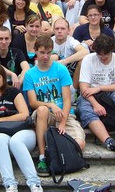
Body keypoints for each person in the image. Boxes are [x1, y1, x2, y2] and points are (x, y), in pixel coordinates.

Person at [24, 36, 86, 177]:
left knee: (80, 144)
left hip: (64, 113)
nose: (45, 56)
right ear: (35, 52)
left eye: (48, 52)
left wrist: (63, 123)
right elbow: (33, 102)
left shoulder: (60, 69)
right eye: (42, 52)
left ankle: (55, 155)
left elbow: (67, 99)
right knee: (42, 109)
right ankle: (42, 158)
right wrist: (51, 104)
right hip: (43, 114)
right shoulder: (30, 74)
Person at [0, 64, 42, 191]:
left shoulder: (13, 92)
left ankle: (34, 183)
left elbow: (24, 115)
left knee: (15, 141)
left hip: (24, 132)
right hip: (3, 133)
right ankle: (10, 184)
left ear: (3, 78)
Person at [52, 18, 89, 90]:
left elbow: (85, 52)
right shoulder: (49, 41)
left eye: (63, 28)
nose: (59, 31)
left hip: (70, 71)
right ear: (53, 30)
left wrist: (64, 61)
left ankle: (73, 90)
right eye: (57, 29)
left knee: (82, 61)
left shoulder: (71, 40)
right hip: (54, 71)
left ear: (68, 31)